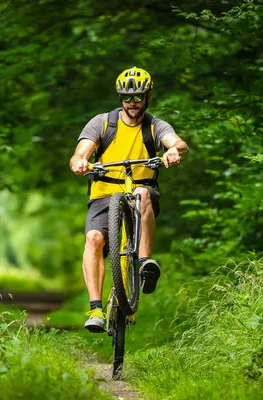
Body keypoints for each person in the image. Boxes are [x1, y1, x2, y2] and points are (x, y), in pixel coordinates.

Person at [69, 66, 189, 333]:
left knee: (142, 192)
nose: (132, 103)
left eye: (138, 97)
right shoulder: (102, 123)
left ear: (148, 96)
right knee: (93, 240)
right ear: (120, 98)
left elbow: (179, 143)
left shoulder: (155, 126)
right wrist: (80, 162)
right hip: (103, 194)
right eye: (127, 98)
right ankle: (96, 308)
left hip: (141, 191)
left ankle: (144, 263)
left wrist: (172, 152)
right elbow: (81, 152)